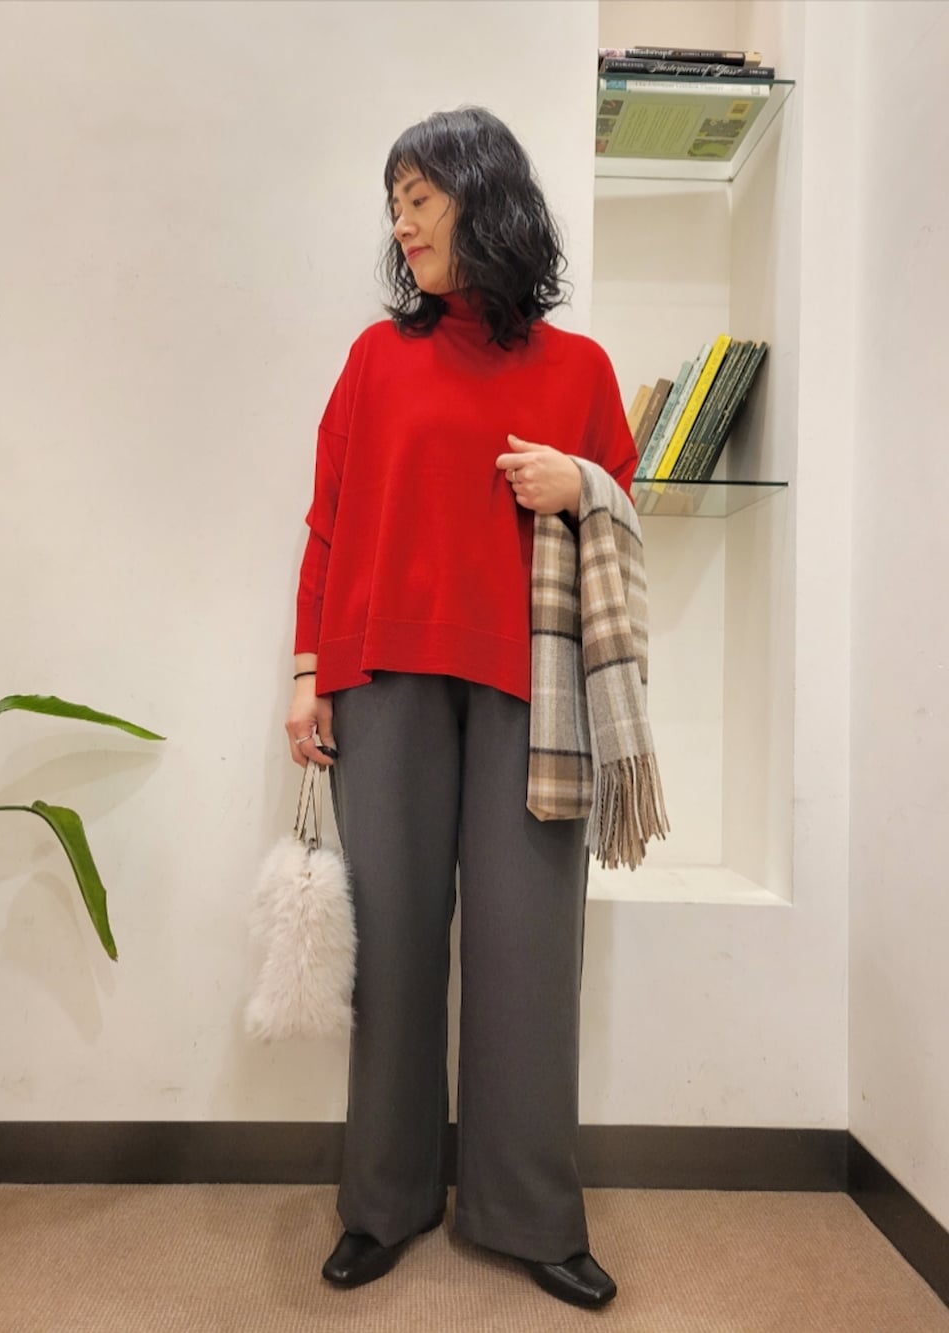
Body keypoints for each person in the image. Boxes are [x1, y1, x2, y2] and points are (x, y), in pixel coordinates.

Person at [286, 107, 637, 1311]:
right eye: (393, 203)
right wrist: (305, 672)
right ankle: (381, 1203)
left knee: (527, 955)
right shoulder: (374, 359)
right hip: (380, 680)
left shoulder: (579, 370)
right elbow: (328, 521)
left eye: (419, 197)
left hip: (532, 691)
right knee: (389, 953)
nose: (401, 222)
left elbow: (621, 508)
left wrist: (576, 480)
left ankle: (527, 1213)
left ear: (483, 198)